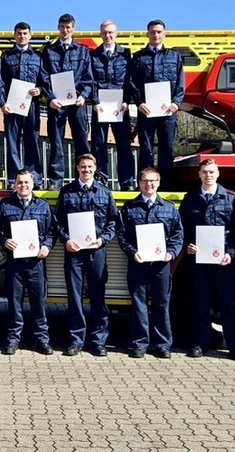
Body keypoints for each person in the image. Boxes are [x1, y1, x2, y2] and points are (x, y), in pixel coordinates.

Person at [178, 159, 235, 360]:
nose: (208, 175)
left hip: (223, 261)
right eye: (204, 172)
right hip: (198, 262)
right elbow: (181, 228)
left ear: (218, 174)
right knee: (200, 303)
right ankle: (200, 344)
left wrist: (231, 252)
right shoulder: (190, 199)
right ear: (199, 175)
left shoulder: (230, 199)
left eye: (211, 172)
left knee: (228, 304)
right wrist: (188, 245)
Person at [55, 153, 120, 356]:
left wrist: (103, 239)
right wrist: (66, 240)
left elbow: (113, 221)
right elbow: (57, 222)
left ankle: (98, 341)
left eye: (90, 167)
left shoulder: (104, 192)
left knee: (98, 296)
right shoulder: (66, 192)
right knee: (75, 298)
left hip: (96, 251)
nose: (86, 170)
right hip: (74, 253)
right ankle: (76, 340)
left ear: (95, 168)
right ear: (77, 168)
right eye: (83, 167)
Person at [117, 167, 184, 358]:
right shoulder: (130, 208)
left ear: (159, 182)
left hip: (161, 265)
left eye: (153, 181)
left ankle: (162, 344)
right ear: (139, 183)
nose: (149, 184)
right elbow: (122, 235)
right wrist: (132, 252)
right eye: (145, 181)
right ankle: (140, 344)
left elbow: (178, 235)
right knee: (139, 304)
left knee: (162, 303)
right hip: (138, 263)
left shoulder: (169, 208)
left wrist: (171, 253)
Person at [0, 169, 55, 355]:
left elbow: (52, 231)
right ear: (15, 184)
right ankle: (13, 339)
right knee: (14, 302)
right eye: (20, 183)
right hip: (14, 263)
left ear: (33, 184)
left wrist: (47, 247)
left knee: (39, 303)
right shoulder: (5, 204)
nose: (23, 186)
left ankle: (42, 340)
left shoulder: (42, 206)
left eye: (27, 183)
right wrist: (4, 241)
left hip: (36, 263)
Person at [128, 19, 184, 187]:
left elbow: (180, 82)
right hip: (146, 112)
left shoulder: (174, 56)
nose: (156, 35)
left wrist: (176, 102)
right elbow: (132, 82)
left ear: (164, 34)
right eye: (153, 32)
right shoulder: (138, 58)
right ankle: (144, 185)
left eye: (159, 32)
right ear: (147, 34)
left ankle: (166, 185)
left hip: (168, 112)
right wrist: (139, 103)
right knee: (145, 148)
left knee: (166, 148)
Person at [40, 13, 93, 190]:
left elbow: (88, 77)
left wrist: (83, 95)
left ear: (73, 29)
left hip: (77, 103)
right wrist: (50, 98)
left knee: (81, 141)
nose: (65, 30)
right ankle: (56, 181)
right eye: (62, 27)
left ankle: (84, 179)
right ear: (58, 27)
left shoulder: (83, 51)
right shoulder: (49, 51)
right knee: (56, 141)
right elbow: (44, 77)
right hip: (57, 104)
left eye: (68, 27)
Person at [0, 21, 44, 188]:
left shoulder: (38, 57)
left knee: (32, 140)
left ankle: (34, 179)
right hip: (11, 106)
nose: (22, 36)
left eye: (25, 33)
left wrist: (40, 89)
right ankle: (13, 179)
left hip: (32, 106)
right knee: (12, 142)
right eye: (19, 33)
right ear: (14, 35)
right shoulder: (6, 57)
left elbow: (45, 81)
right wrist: (2, 103)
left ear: (30, 35)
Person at [90, 19, 135, 190]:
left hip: (119, 108)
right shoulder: (93, 55)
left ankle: (126, 181)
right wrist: (94, 101)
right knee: (98, 144)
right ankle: (101, 180)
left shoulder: (126, 54)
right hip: (100, 107)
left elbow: (130, 80)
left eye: (111, 32)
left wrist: (126, 101)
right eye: (104, 32)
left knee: (124, 144)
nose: (107, 35)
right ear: (100, 34)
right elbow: (91, 81)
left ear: (116, 34)